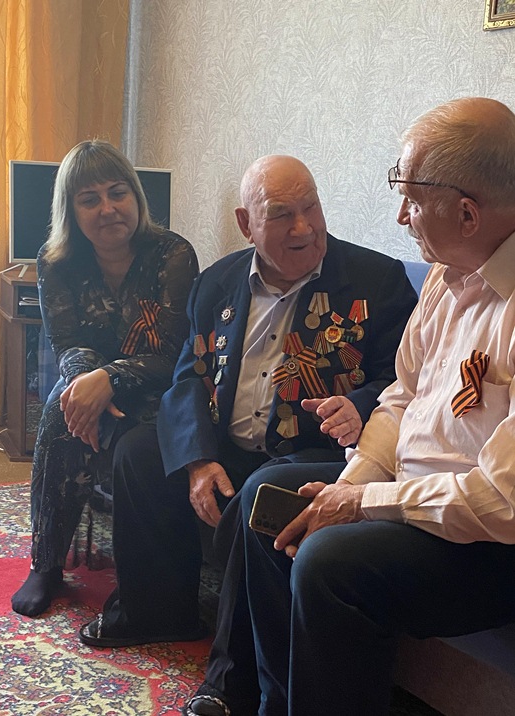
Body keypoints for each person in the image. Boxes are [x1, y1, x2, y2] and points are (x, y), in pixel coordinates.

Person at [183, 97, 515, 716]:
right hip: (416, 496)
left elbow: (501, 501)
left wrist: (361, 502)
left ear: (468, 214)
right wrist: (353, 482)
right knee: (270, 504)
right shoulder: (446, 277)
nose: (400, 216)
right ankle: (275, 703)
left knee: (327, 560)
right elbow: (400, 398)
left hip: (490, 540)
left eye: (412, 200)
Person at [78, 154, 417, 648]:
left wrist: (360, 406)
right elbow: (188, 376)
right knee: (139, 452)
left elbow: (405, 380)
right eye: (281, 214)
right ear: (246, 224)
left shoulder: (377, 280)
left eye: (311, 207)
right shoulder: (217, 281)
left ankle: (230, 671)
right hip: (225, 442)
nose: (304, 227)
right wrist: (198, 459)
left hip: (309, 450)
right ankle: (154, 614)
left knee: (265, 489)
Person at [11, 139, 199, 618]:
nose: (108, 209)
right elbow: (66, 342)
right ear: (71, 210)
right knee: (61, 409)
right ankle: (46, 562)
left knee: (120, 422)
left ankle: (145, 567)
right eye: (89, 199)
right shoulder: (54, 260)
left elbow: (173, 352)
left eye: (118, 193)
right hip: (90, 378)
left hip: (159, 383)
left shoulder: (174, 253)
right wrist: (85, 389)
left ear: (136, 196)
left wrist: (109, 380)